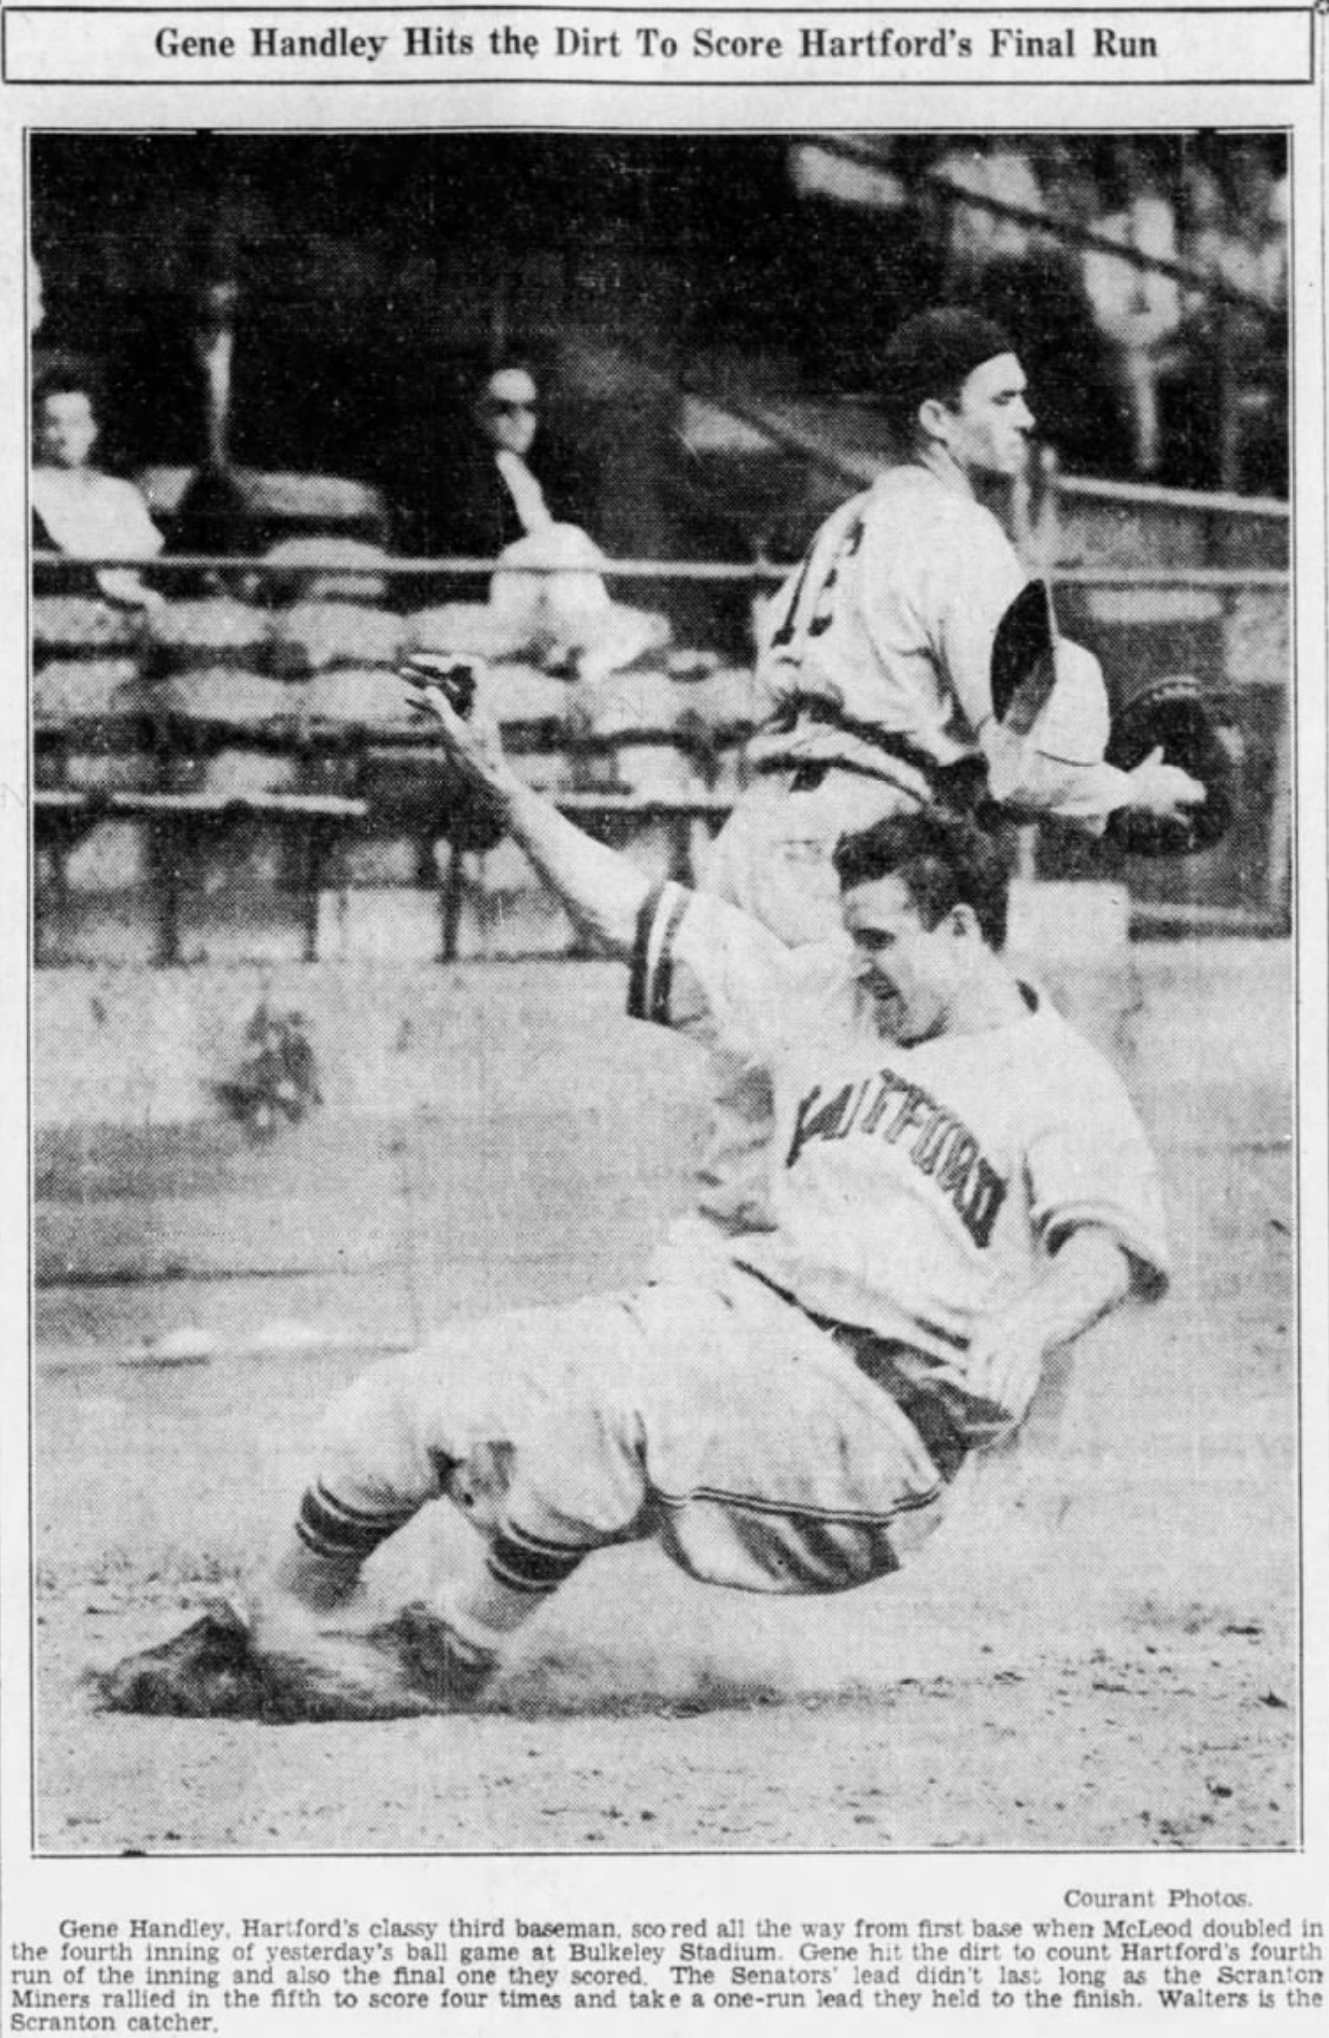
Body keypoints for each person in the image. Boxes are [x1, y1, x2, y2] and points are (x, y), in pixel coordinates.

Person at [110, 674, 1170, 1720]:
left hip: (875, 1431)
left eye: (883, 940)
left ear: (966, 930)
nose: (863, 964)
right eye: (853, 938)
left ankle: (450, 1651)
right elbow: (629, 912)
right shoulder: (827, 993)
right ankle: (265, 1624)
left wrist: (1032, 1326)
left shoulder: (1058, 1075)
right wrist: (506, 788)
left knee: (602, 1423)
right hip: (735, 1331)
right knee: (414, 1396)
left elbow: (1105, 1247)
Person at [672, 306, 1204, 1262]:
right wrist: (1127, 795)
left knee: (746, 1158)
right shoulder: (958, 532)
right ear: (935, 419)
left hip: (754, 835)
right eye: (1001, 398)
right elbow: (1018, 756)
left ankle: (690, 1345)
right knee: (864, 1141)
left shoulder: (843, 522)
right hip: (852, 845)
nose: (1026, 417)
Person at [31, 370, 165, 608]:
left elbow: (151, 557)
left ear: (93, 429)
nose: (63, 436)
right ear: (35, 432)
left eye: (75, 423)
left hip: (140, 610)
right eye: (52, 423)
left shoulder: (122, 493)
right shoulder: (27, 491)